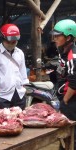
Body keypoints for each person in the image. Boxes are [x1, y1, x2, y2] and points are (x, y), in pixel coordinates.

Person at [0, 23, 29, 110]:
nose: (12, 43)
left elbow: (23, 72)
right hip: (3, 95)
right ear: (3, 38)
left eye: (14, 41)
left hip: (19, 93)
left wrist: (23, 87)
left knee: (21, 119)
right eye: (9, 41)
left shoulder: (20, 53)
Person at [50, 19, 76, 149]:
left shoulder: (73, 56)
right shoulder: (63, 52)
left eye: (58, 36)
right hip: (65, 100)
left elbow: (74, 82)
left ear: (68, 37)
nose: (55, 38)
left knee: (72, 136)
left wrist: (65, 101)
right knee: (65, 135)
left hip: (71, 102)